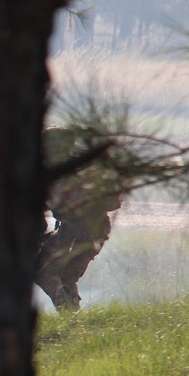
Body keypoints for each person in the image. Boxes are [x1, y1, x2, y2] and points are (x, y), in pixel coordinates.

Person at [35, 126, 123, 312]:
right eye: (52, 144)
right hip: (97, 230)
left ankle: (68, 311)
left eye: (57, 144)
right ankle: (72, 316)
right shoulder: (86, 168)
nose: (54, 148)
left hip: (76, 230)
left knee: (44, 272)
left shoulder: (56, 172)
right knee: (67, 275)